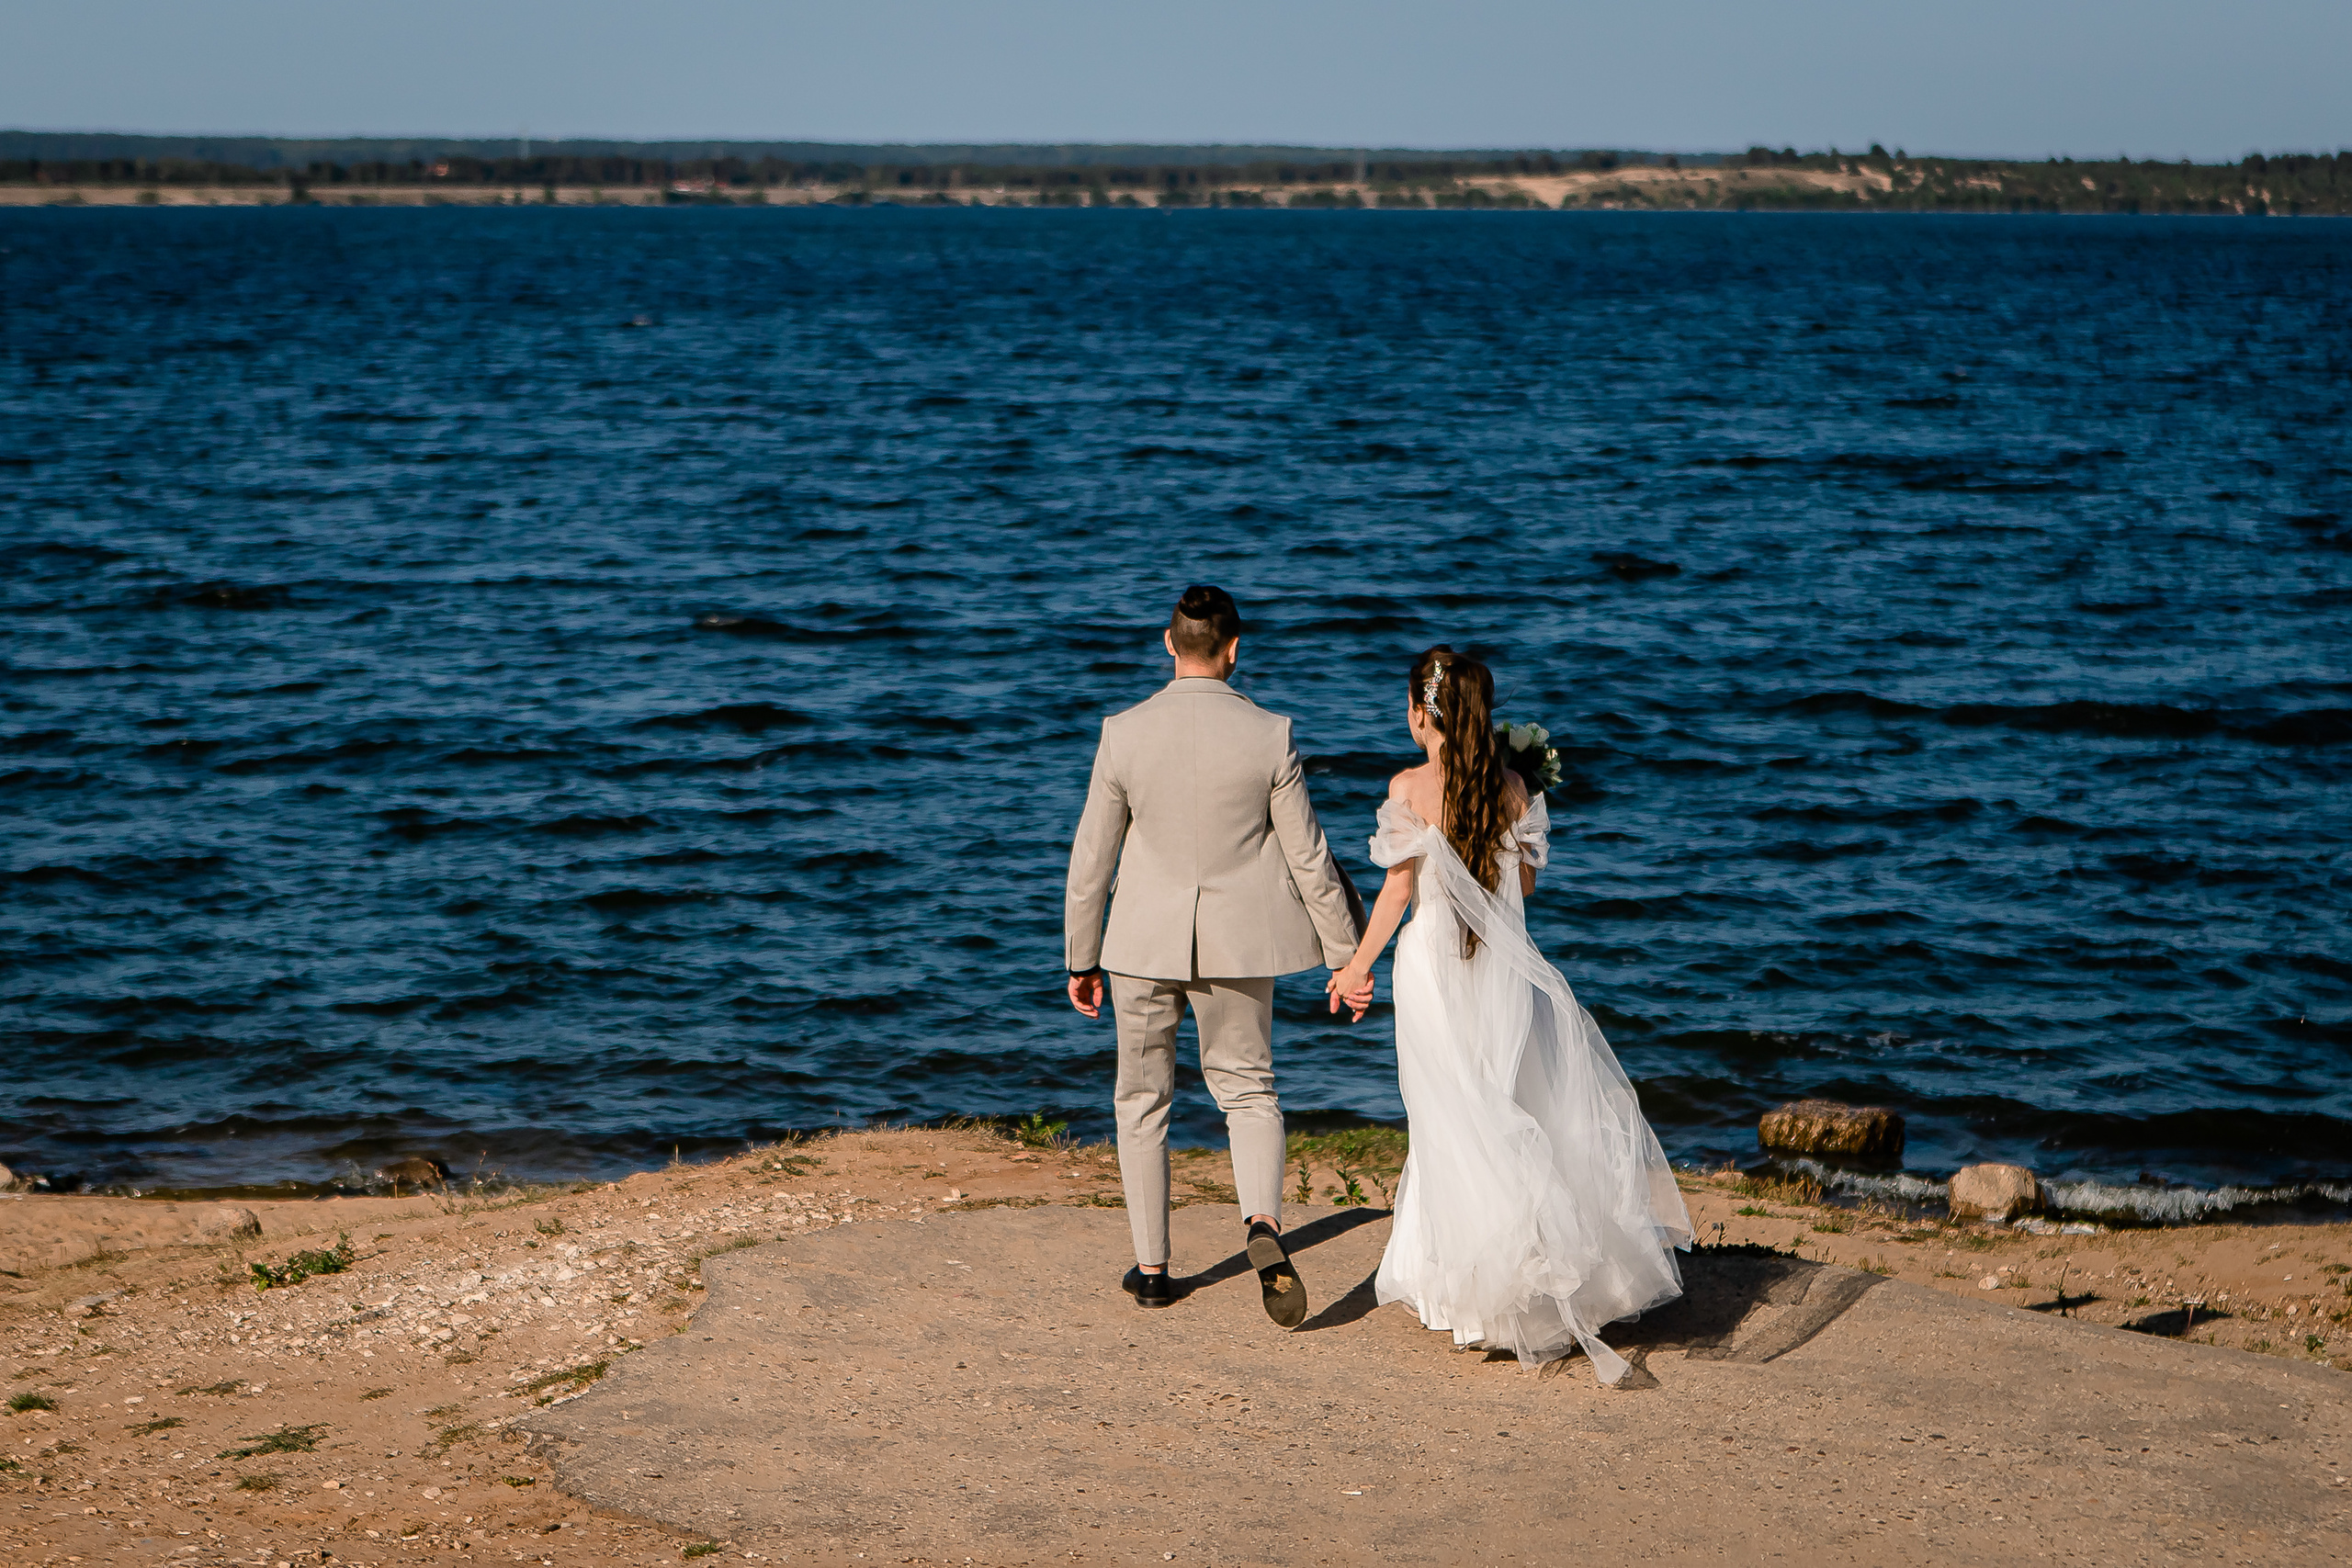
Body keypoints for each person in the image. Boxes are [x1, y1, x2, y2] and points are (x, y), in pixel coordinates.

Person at [1325, 647, 1690, 1382]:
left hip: (1432, 969)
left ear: (1420, 713)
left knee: (1449, 1117)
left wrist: (1355, 965)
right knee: (1507, 1102)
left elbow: (1398, 892)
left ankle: (1464, 1296)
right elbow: (1523, 886)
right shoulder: (1515, 787)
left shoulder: (1408, 786)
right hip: (1502, 970)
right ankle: (1514, 1276)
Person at [1066, 585, 1370, 1325]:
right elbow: (1309, 856)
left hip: (1141, 941)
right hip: (1240, 942)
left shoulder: (1123, 732)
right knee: (1249, 1090)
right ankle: (1262, 1221)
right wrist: (1346, 955)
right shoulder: (1270, 734)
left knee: (1142, 1098)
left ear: (1168, 642)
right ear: (1234, 649)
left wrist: (1081, 956)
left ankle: (1153, 1269)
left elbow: (1092, 856)